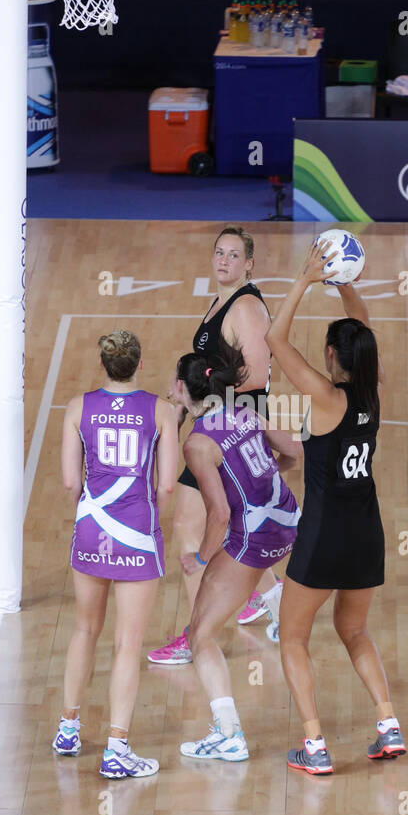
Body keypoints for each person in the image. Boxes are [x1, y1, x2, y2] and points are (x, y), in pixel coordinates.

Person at [266, 241, 406, 776]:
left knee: (295, 636)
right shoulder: (373, 392)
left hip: (323, 533)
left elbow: (275, 339)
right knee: (355, 632)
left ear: (330, 357)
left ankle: (315, 745)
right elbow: (362, 327)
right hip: (366, 533)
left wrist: (305, 280)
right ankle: (388, 724)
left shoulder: (327, 398)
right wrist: (343, 283)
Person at [149, 226, 284, 665]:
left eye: (233, 254)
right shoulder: (221, 301)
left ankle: (195, 636)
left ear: (249, 263)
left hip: (228, 429)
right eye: (218, 252)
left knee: (191, 529)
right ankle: (272, 600)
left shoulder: (244, 306)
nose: (223, 260)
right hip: (220, 423)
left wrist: (206, 402)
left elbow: (259, 377)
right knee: (230, 522)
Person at [54, 330, 178, 778]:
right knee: (127, 643)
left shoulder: (77, 408)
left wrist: (90, 513)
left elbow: (71, 482)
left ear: (103, 365)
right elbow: (166, 485)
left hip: (92, 531)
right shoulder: (160, 410)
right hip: (137, 536)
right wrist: (149, 520)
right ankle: (116, 748)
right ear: (139, 365)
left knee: (85, 629)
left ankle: (68, 727)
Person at [173, 346, 302, 762]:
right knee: (212, 615)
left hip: (254, 537)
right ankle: (276, 605)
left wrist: (202, 559)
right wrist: (267, 469)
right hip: (288, 521)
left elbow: (220, 513)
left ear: (181, 388)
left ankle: (228, 734)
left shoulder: (197, 443)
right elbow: (294, 453)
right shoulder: (244, 412)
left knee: (200, 633)